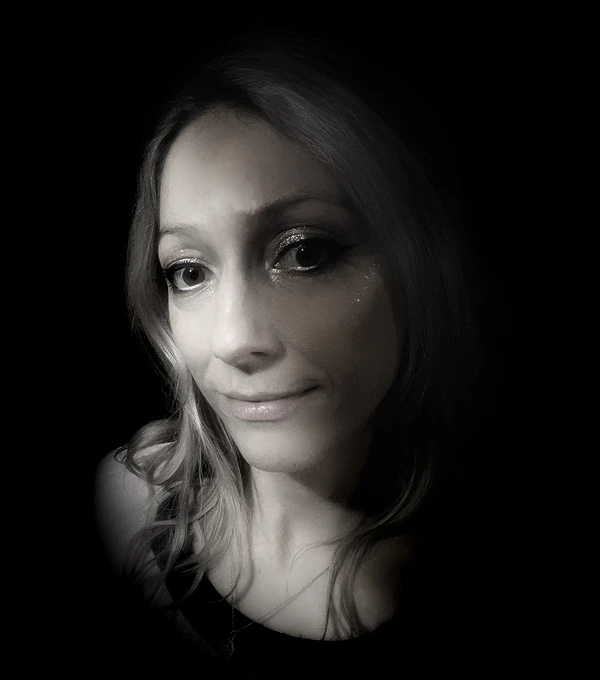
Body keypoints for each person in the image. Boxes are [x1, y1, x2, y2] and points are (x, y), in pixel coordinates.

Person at [94, 29, 484, 677]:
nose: (232, 340)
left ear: (421, 271)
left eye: (305, 253)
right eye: (189, 271)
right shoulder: (130, 503)